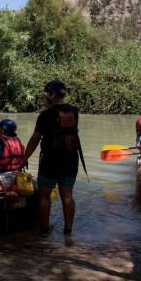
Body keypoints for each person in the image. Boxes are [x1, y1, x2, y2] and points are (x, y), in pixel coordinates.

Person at [23, 79, 83, 236]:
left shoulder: (45, 115)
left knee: (44, 196)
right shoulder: (74, 111)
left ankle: (44, 231)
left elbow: (35, 139)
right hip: (71, 159)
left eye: (45, 94)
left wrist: (25, 157)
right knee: (68, 195)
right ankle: (68, 232)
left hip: (50, 160)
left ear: (50, 94)